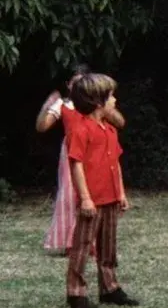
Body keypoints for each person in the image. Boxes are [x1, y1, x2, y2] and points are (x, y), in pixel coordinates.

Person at [65, 73, 138, 308]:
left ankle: (109, 288)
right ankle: (76, 293)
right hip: (92, 200)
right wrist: (85, 198)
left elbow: (115, 164)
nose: (115, 100)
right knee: (83, 246)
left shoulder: (109, 130)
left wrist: (122, 193)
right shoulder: (80, 130)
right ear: (98, 102)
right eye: (111, 97)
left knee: (108, 246)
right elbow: (76, 164)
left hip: (110, 198)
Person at [35, 64, 125, 255]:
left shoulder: (97, 105)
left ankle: (92, 241)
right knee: (70, 194)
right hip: (72, 151)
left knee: (96, 191)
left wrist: (105, 107)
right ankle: (70, 241)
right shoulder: (63, 105)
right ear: (68, 85)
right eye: (76, 84)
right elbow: (42, 126)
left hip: (96, 150)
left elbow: (120, 122)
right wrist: (47, 105)